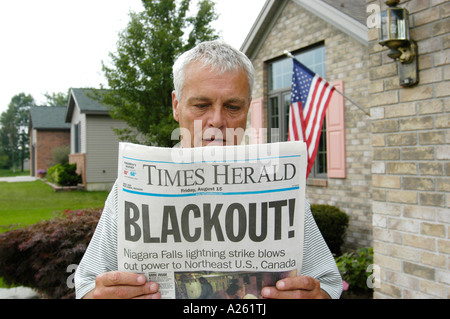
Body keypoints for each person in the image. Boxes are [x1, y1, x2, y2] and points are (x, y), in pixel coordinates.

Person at [74, 40, 343, 299]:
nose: (217, 120)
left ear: (248, 108)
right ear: (176, 106)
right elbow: (86, 282)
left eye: (232, 106)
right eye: (201, 105)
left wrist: (317, 295)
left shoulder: (281, 188)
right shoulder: (130, 189)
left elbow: (328, 282)